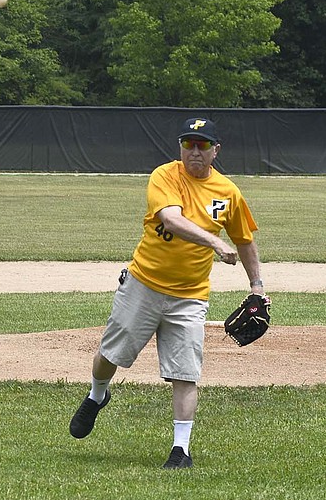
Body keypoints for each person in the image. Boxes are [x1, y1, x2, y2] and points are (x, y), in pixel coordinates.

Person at [68, 117, 265, 469]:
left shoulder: (228, 193)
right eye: (188, 143)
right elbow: (171, 219)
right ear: (180, 148)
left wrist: (257, 287)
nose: (194, 151)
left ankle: (181, 450)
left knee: (186, 372)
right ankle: (98, 395)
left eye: (202, 145)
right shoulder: (165, 175)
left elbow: (246, 240)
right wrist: (213, 242)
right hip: (144, 284)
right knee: (110, 355)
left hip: (190, 296)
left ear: (215, 150)